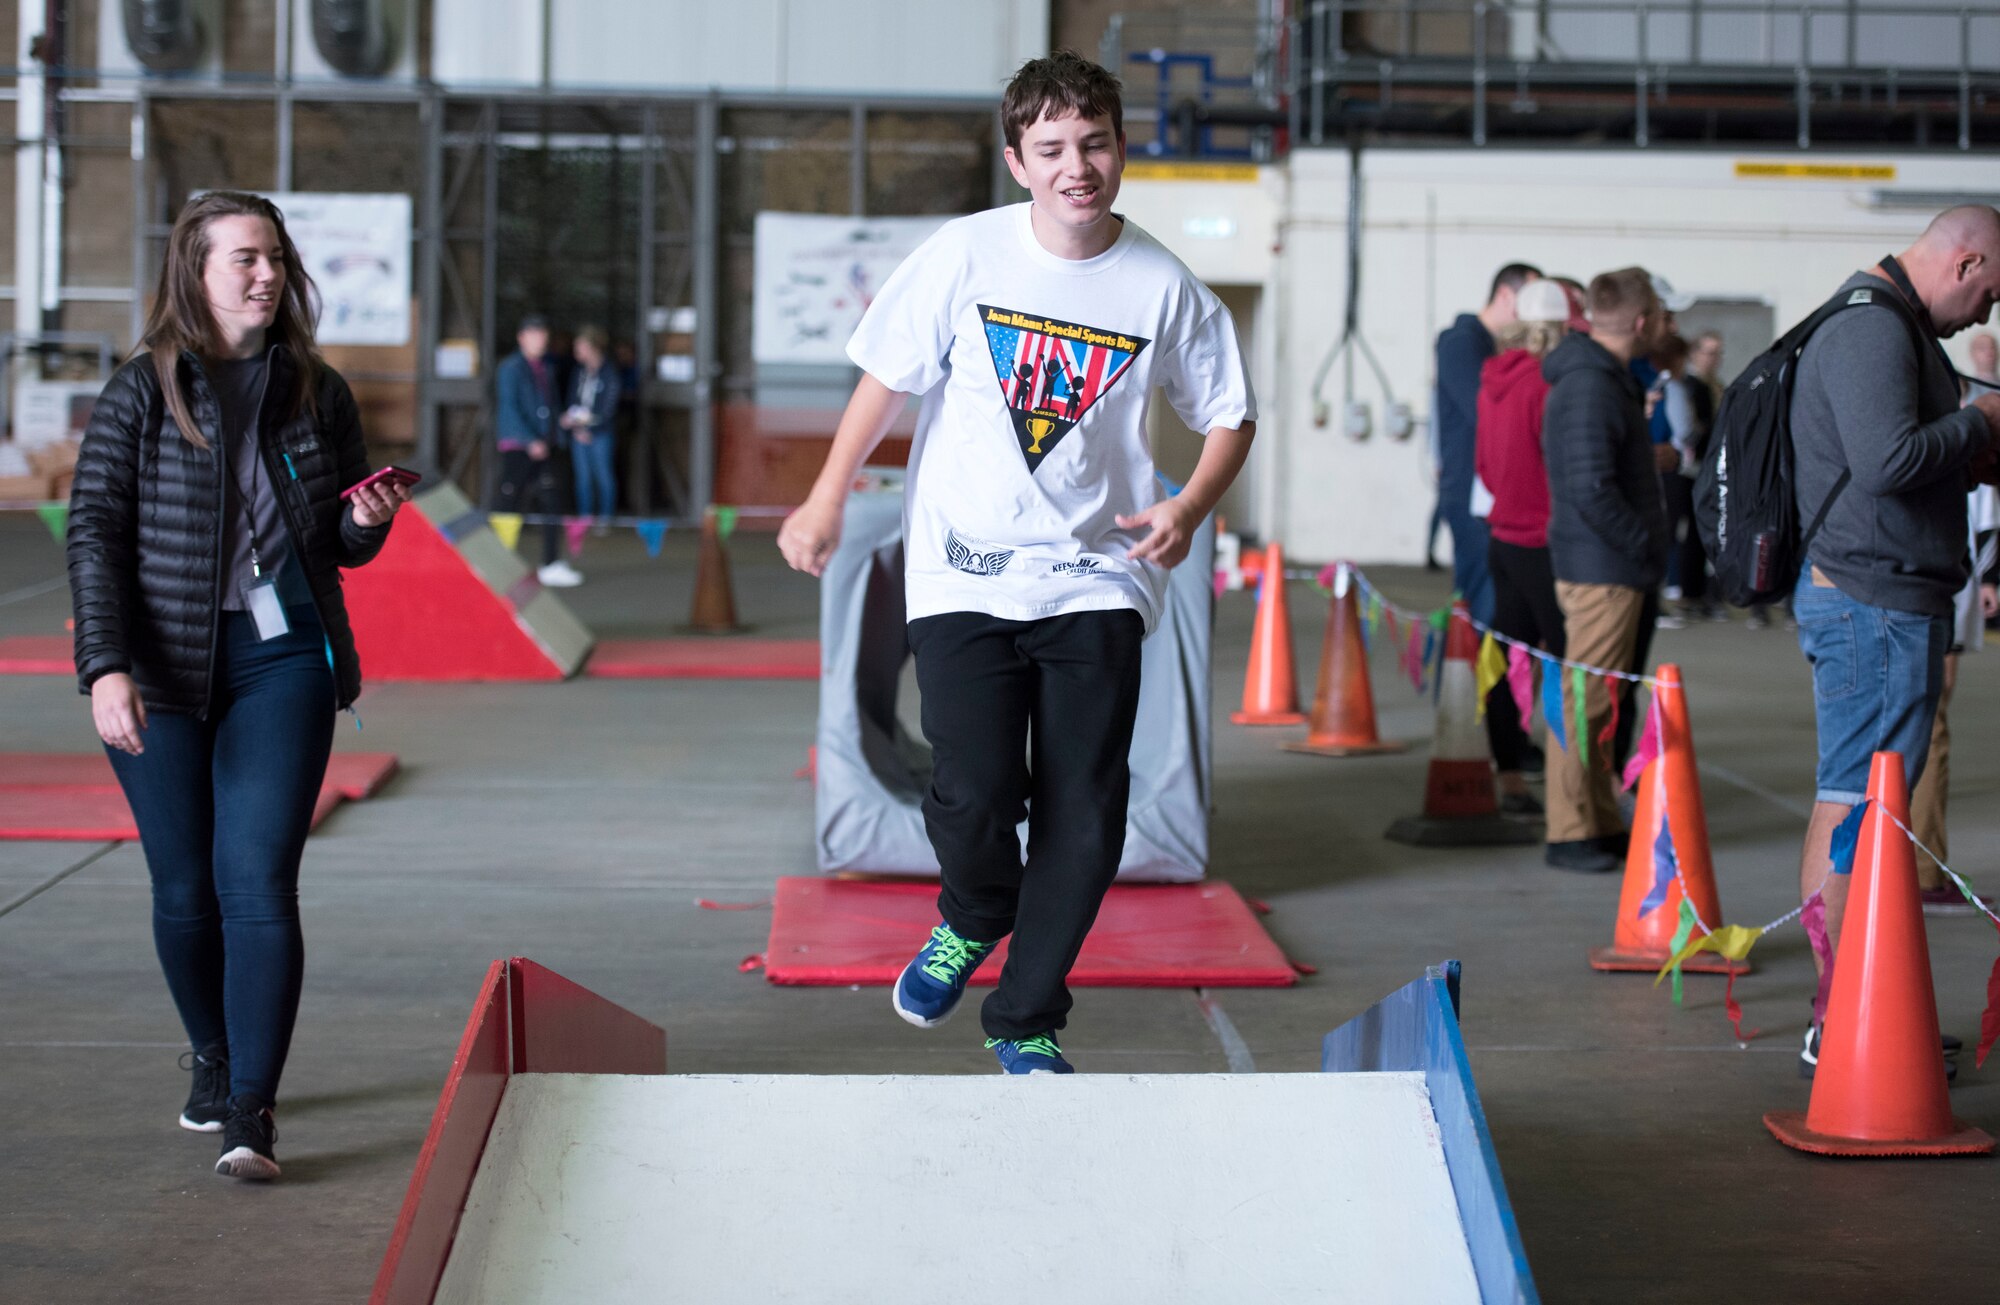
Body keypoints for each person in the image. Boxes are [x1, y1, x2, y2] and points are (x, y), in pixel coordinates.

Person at [777, 50, 1255, 1075]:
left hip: (1096, 577)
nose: (1076, 166)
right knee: (970, 788)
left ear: (1119, 148)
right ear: (1017, 162)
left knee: (1085, 813)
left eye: (1093, 143)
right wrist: (824, 494)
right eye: (1051, 149)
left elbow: (1228, 413)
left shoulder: (1160, 285)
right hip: (960, 570)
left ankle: (1025, 1017)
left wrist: (1187, 502)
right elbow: (883, 384)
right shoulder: (963, 256)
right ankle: (972, 909)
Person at [65, 191, 410, 1181]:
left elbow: (339, 543)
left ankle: (250, 1113)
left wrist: (370, 517)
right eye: (244, 259)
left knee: (256, 879)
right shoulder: (142, 391)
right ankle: (212, 1057)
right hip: (158, 668)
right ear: (198, 272)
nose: (265, 275)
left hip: (284, 660)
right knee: (184, 886)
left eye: (273, 258)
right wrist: (106, 665)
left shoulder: (318, 389)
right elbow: (94, 532)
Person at [1788, 205, 2000, 1076]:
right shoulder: (1873, 328)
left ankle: (1855, 1007)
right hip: (1869, 603)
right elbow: (1886, 461)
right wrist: (1980, 428)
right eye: (1990, 295)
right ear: (1967, 262)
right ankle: (1843, 1022)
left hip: (1883, 597)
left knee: (1865, 798)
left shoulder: (1890, 325)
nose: (1986, 317)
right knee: (1854, 800)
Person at [1539, 268, 1670, 873]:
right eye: (1662, 314)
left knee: (1601, 703)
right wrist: (1643, 542)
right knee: (1585, 702)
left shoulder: (1603, 378)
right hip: (1603, 568)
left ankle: (1596, 819)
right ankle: (1570, 830)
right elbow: (1591, 488)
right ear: (1641, 322)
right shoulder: (1591, 385)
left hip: (1610, 564)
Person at [1475, 277, 1582, 814]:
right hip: (1546, 540)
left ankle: (1511, 776)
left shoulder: (1490, 380)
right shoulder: (1549, 385)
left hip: (1503, 537)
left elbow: (1485, 467)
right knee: (1571, 662)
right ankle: (1574, 787)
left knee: (1507, 659)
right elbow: (1563, 468)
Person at [1435, 261, 1541, 624]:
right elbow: (1489, 415)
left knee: (1501, 602)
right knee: (1485, 604)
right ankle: (1488, 682)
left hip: (1491, 494)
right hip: (1469, 493)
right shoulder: (1461, 344)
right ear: (1505, 295)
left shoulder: (1490, 347)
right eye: (1529, 302)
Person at [494, 314, 581, 587]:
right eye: (534, 335)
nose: (540, 340)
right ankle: (497, 562)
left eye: (543, 335)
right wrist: (529, 439)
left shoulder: (546, 367)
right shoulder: (510, 368)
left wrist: (561, 427)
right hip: (520, 447)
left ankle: (551, 562)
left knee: (552, 501)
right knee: (508, 503)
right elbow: (509, 407)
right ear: (522, 337)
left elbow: (549, 406)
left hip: (546, 446)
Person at [562, 325, 622, 531]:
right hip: (579, 434)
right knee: (583, 478)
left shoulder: (609, 373)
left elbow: (609, 408)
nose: (577, 352)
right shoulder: (579, 373)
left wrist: (591, 429)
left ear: (594, 348)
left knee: (603, 476)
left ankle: (605, 518)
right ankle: (585, 518)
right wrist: (575, 427)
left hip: (601, 434)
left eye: (581, 347)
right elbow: (572, 400)